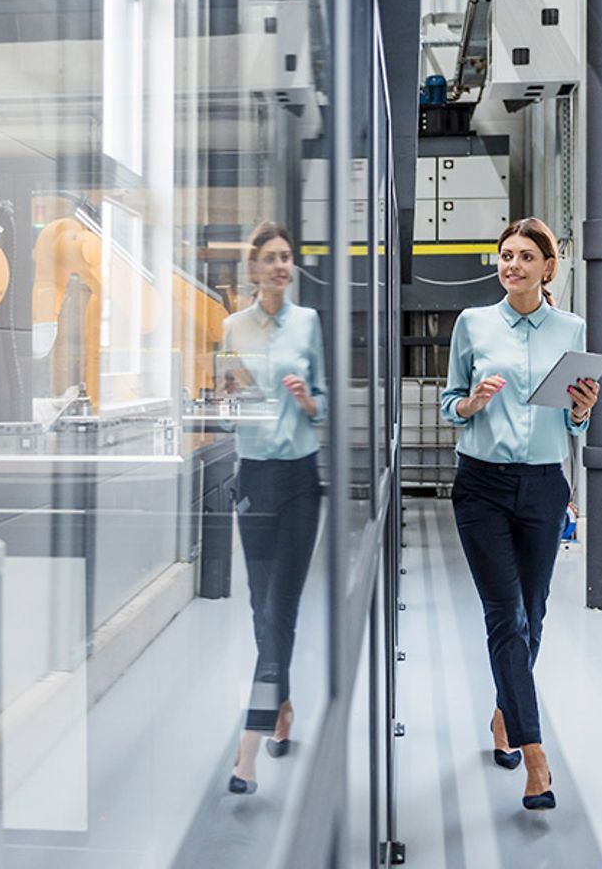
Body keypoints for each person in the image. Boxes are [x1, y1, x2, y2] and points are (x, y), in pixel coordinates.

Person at [439, 217, 601, 811]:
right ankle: (536, 758)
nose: (512, 265)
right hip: (479, 486)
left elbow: (572, 422)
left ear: (547, 268)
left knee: (533, 614)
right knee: (505, 615)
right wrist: (470, 402)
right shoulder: (473, 324)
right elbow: (447, 401)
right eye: (505, 255)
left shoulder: (571, 328)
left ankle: (505, 714)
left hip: (543, 488)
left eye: (525, 257)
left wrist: (583, 411)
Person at [223, 221, 326, 795]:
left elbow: (324, 403)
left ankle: (249, 744)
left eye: (288, 257)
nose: (282, 265)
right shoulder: (232, 327)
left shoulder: (308, 323)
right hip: (253, 477)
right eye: (272, 258)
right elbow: (224, 400)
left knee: (280, 608)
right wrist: (229, 398)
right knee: (260, 607)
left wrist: (308, 399)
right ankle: (281, 704)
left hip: (299, 480)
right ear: (255, 268)